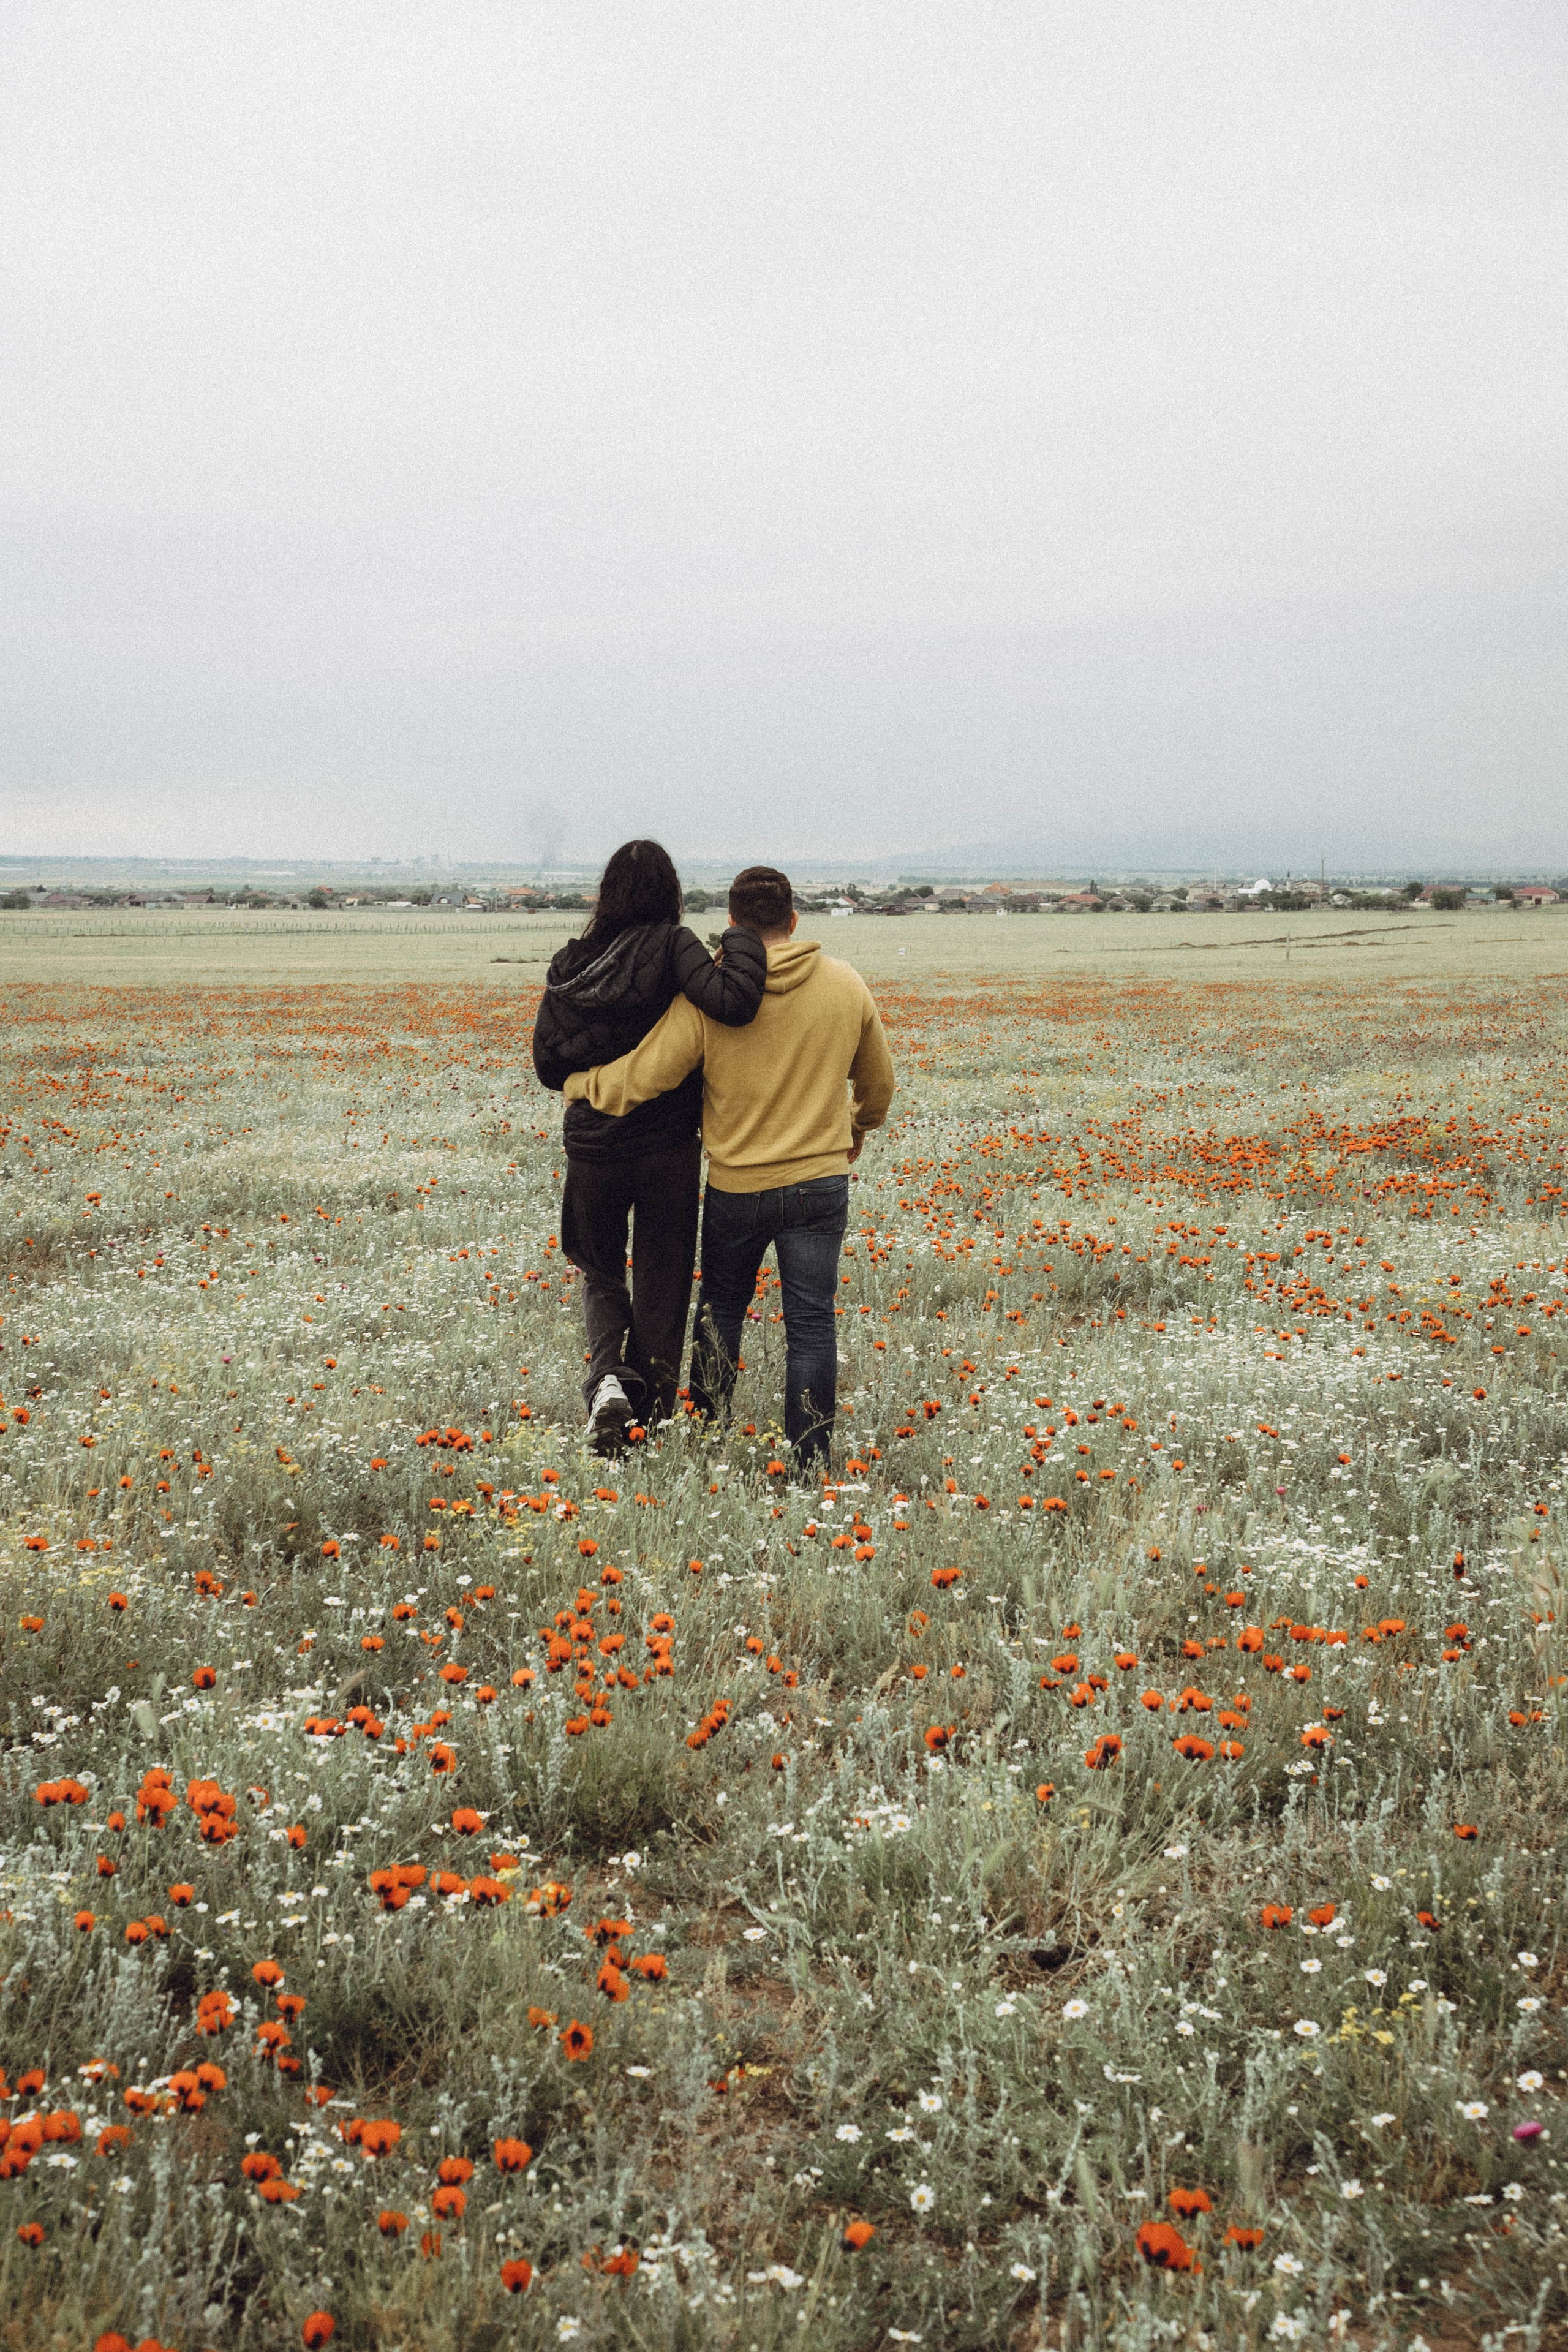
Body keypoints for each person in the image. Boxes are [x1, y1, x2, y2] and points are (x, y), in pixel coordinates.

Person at [564, 864, 894, 1469]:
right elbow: (878, 1085)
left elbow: (647, 1075)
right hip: (819, 1184)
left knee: (720, 1315)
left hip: (738, 1187)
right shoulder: (845, 984)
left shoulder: (710, 996)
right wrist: (856, 1126)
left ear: (733, 923)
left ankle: (708, 1437)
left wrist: (582, 1084)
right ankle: (808, 1463)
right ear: (794, 919)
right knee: (812, 1325)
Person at [532, 839, 766, 1453]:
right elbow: (735, 1003)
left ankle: (609, 1378)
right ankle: (651, 1418)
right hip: (666, 1146)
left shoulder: (571, 963)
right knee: (663, 1278)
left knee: (601, 1269)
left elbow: (547, 1066)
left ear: (607, 894)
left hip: (593, 1148)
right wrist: (741, 937)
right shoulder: (674, 945)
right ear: (671, 893)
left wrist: (593, 1066)